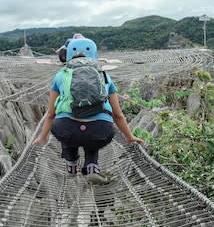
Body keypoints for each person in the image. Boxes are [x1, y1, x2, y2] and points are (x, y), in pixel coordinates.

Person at [32, 38, 144, 183]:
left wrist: (43, 136)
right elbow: (118, 115)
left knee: (68, 129)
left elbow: (50, 114)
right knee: (93, 136)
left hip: (66, 130)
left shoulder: (61, 75)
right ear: (94, 54)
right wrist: (129, 136)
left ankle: (71, 164)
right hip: (100, 131)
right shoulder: (104, 76)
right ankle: (91, 166)